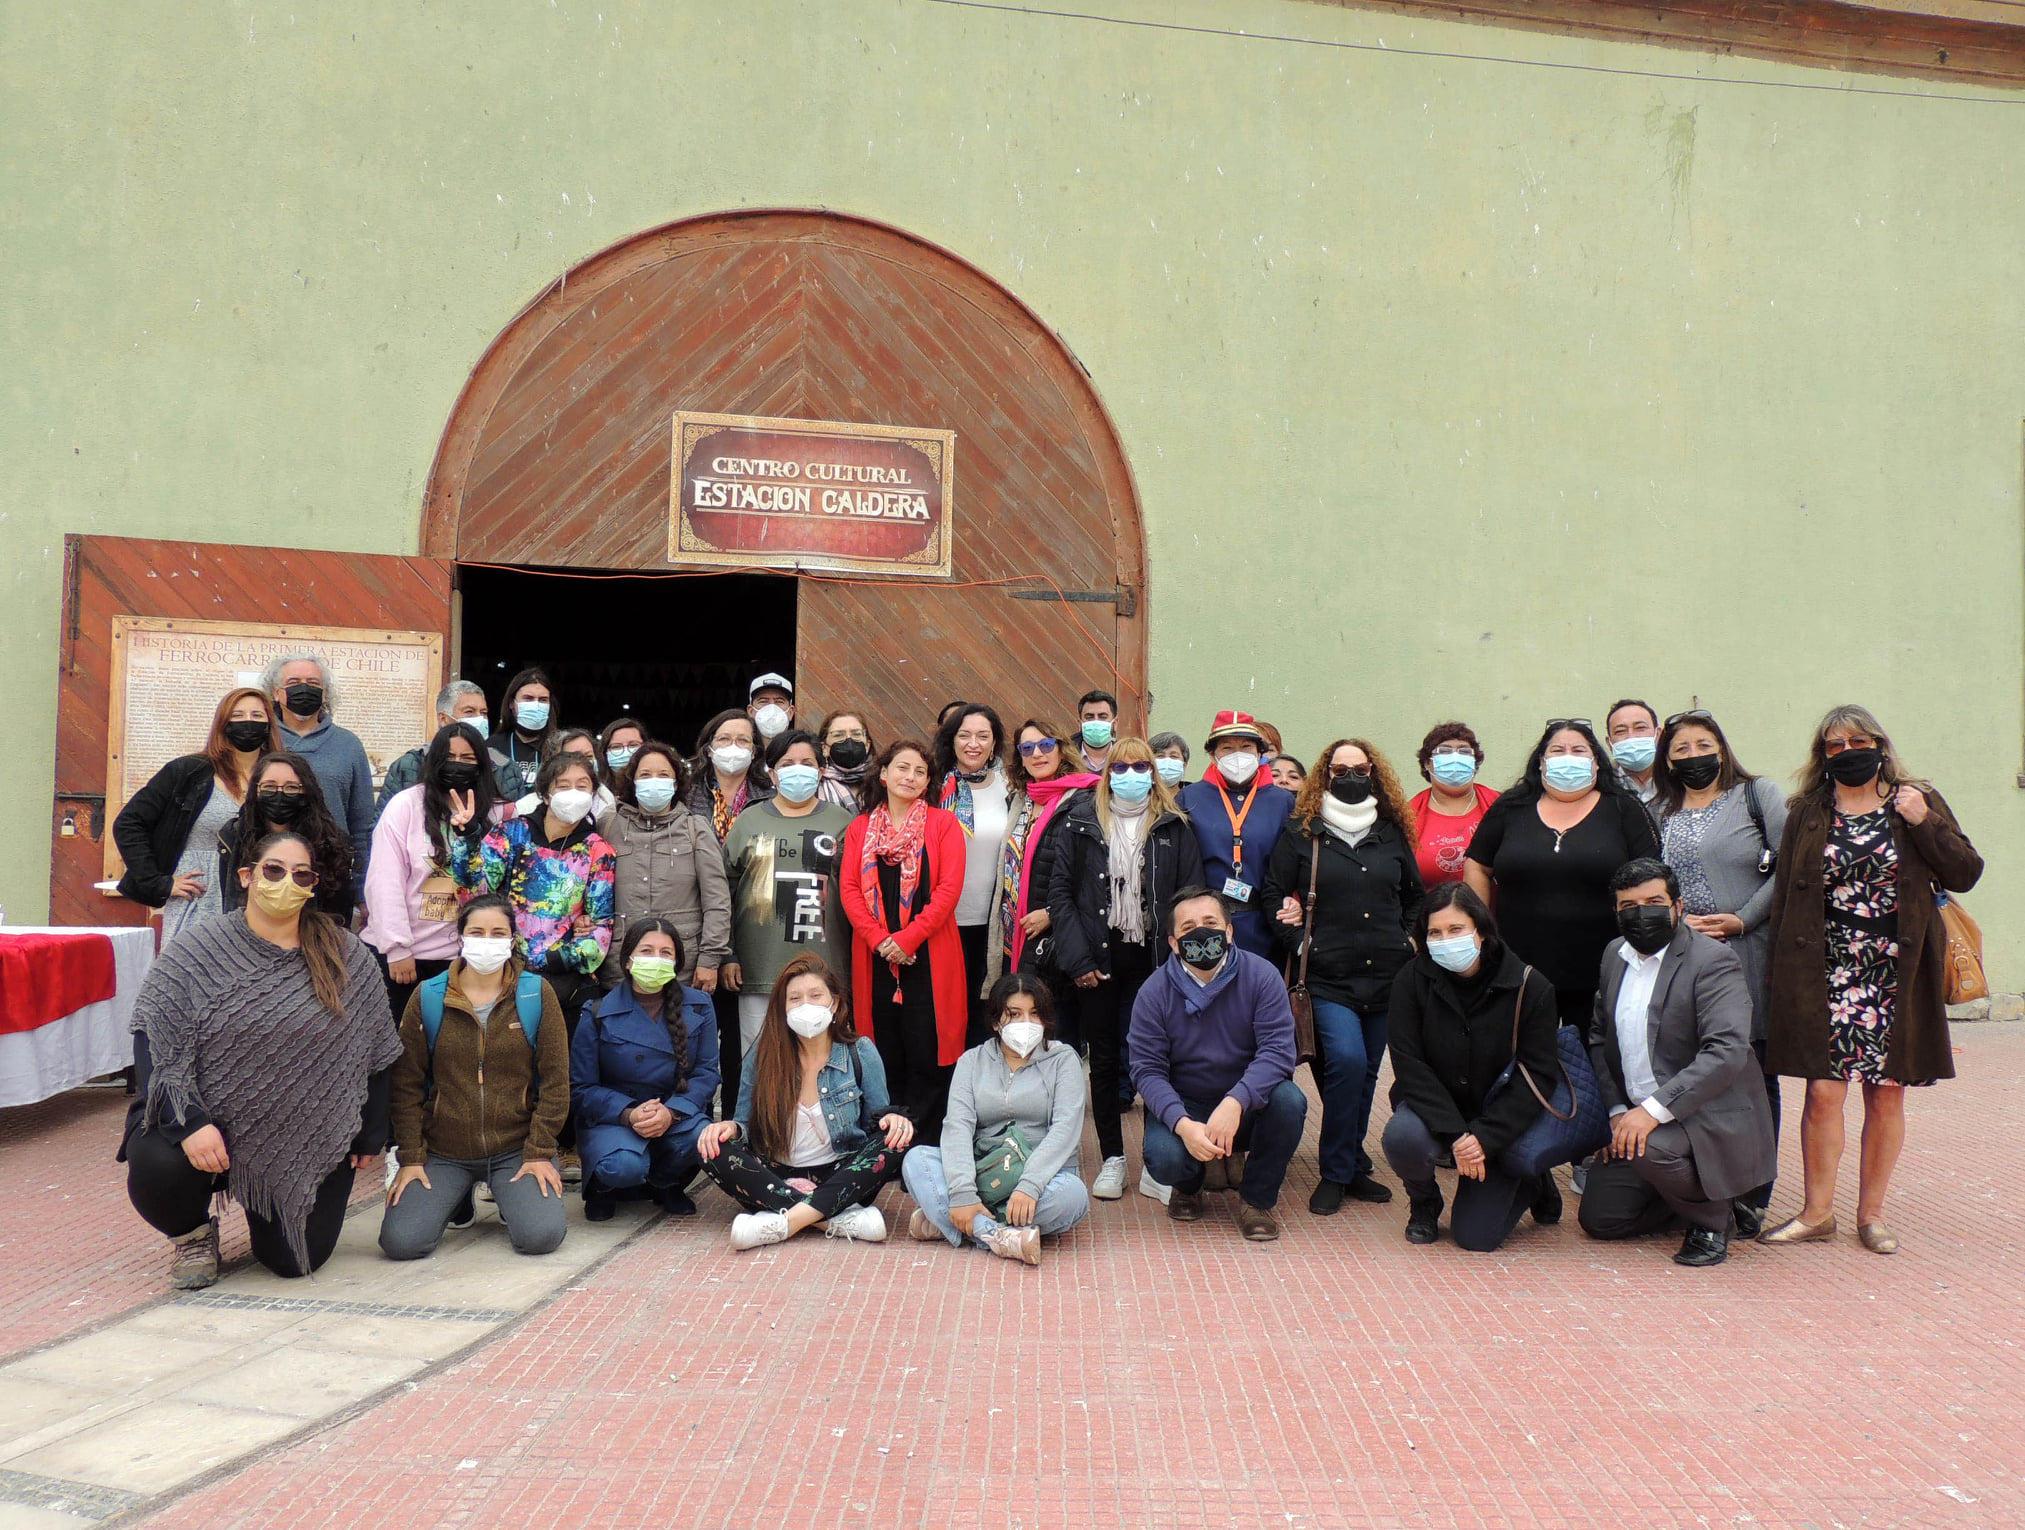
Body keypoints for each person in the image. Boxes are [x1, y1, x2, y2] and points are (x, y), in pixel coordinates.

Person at [122, 830, 400, 1288]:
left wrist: (370, 1135)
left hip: (306, 1129)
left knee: (293, 1262)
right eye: (274, 870)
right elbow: (154, 1038)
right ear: (248, 876)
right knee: (158, 1163)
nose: (286, 882)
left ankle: (265, 1200)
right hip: (207, 1121)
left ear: (312, 886)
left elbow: (378, 1051)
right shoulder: (198, 948)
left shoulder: (347, 953)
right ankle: (192, 1234)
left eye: (300, 874)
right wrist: (189, 1123)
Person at [1760, 705, 1982, 1254]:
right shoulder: (1808, 812)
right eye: (1834, 746)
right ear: (1823, 756)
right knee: (1822, 1091)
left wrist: (1921, 820)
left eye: (1858, 741)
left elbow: (1966, 873)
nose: (1847, 752)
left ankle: (1872, 1215)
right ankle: (1817, 1213)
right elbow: (1786, 895)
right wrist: (1779, 981)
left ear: (1881, 744)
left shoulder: (1916, 799)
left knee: (1885, 1094)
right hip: (1825, 969)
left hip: (1894, 970)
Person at [1577, 860, 1778, 1267]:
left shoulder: (1712, 961)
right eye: (1629, 906)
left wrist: (1649, 1113)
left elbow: (1726, 1051)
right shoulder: (1614, 955)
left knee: (1649, 1150)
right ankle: (1698, 1197)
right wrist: (1619, 1111)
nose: (1641, 913)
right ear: (1616, 913)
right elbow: (1599, 1037)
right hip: (1640, 1115)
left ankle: (1713, 1220)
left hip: (1707, 1113)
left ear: (1678, 906)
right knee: (1602, 1219)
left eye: (1654, 902)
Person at [1264, 738, 1424, 1214]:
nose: (1350, 776)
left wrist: (1410, 941)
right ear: (1325, 774)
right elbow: (1272, 895)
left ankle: (1351, 1164)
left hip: (1386, 974)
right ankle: (1334, 1173)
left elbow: (1414, 895)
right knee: (1347, 1064)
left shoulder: (1391, 830)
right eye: (1340, 768)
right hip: (1328, 978)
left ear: (1373, 772)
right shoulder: (1303, 830)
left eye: (1359, 768)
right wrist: (1299, 942)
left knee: (1369, 1072)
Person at [1048, 738, 1204, 1200]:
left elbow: (1189, 897)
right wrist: (1077, 960)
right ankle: (1113, 1157)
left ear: (1153, 773)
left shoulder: (1175, 826)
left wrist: (1177, 963)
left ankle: (1157, 1162)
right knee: (1105, 1060)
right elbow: (1061, 896)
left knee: (1152, 1059)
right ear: (1107, 772)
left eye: (1141, 766)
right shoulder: (1079, 822)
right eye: (1121, 766)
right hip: (1096, 961)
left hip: (1155, 964)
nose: (1130, 774)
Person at [379, 894, 571, 1260]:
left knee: (541, 1237)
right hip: (444, 1151)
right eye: (477, 931)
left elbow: (556, 1082)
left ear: (513, 940)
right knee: (402, 1243)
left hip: (516, 1150)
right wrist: (412, 1158)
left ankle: (509, 1195)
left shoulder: (535, 993)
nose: (487, 940)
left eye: (498, 932)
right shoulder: (429, 996)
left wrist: (540, 1151)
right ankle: (457, 1197)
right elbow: (405, 1087)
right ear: (461, 937)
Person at [1653, 708, 1789, 1212]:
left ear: (1722, 748)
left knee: (1752, 1071)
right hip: (1684, 958)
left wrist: (1743, 919)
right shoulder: (1657, 812)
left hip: (1746, 952)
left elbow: (1791, 863)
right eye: (1681, 748)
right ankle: (1704, 1181)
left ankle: (1753, 1196)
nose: (1694, 756)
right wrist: (1671, 921)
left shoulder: (1757, 796)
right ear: (1667, 759)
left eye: (1704, 745)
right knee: (1694, 1066)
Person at [1381, 883, 1564, 1251]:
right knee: (1402, 1137)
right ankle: (1424, 1202)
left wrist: (1485, 1137)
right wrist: (1457, 1136)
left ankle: (1533, 1178)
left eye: (1456, 929)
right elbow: (1409, 1064)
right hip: (1437, 1111)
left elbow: (1538, 1075)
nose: (1445, 940)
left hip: (1501, 1118)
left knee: (1475, 1238)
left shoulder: (1531, 986)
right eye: (1435, 932)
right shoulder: (1411, 980)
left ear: (1480, 930)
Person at [696, 956, 914, 1249]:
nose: (805, 1005)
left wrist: (894, 1121)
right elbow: (743, 1124)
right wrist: (728, 1129)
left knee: (896, 1139)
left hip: (842, 1173)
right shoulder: (763, 1055)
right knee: (711, 1147)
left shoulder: (859, 1051)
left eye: (815, 996)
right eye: (795, 999)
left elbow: (878, 1123)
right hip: (774, 1175)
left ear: (834, 1003)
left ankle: (784, 1221)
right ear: (782, 1008)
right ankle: (832, 1219)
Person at [1130, 888, 1307, 1240]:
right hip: (1187, 1101)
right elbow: (1146, 1069)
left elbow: (1277, 1051)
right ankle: (1189, 1185)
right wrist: (1182, 1124)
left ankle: (1257, 1200)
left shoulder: (1262, 976)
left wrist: (1236, 1100)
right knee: (1164, 1158)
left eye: (1210, 923)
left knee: (1290, 1101)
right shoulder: (1154, 991)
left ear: (1229, 931)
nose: (1201, 932)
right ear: (1174, 942)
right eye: (1189, 927)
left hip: (1246, 1101)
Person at [1463, 718, 1661, 1028]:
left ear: (1597, 763)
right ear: (1541, 763)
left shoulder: (1625, 809)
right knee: (1524, 1062)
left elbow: (1651, 875)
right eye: (1557, 750)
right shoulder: (1510, 807)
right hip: (1518, 969)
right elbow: (1477, 864)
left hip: (1603, 970)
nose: (1568, 757)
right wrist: (1479, 927)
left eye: (1579, 750)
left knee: (1594, 1065)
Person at [902, 973, 1090, 1265]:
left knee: (1073, 1197)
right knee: (917, 1160)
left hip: (1043, 1177)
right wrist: (963, 1192)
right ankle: (994, 1233)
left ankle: (950, 1220)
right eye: (1014, 1015)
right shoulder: (972, 1061)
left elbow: (1065, 1129)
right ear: (995, 1022)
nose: (1026, 1023)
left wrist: (1029, 1185)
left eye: (1035, 1014)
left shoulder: (1063, 1059)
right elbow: (958, 1127)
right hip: (983, 1171)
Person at [839, 739, 968, 1139]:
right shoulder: (861, 827)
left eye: (919, 772)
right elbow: (849, 890)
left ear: (929, 781)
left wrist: (908, 938)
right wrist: (881, 940)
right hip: (875, 955)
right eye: (902, 768)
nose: (910, 777)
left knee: (927, 1048)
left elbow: (948, 890)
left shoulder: (943, 825)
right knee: (884, 1049)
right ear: (883, 774)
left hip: (929, 954)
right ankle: (888, 1141)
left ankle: (925, 1141)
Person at [448, 750, 617, 1027]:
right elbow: (474, 895)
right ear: (546, 794)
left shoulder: (598, 851)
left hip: (562, 984)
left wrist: (558, 959)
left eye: (582, 785)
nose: (573, 793)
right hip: (501, 970)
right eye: (563, 785)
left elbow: (601, 925)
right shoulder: (511, 833)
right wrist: (467, 839)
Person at [573, 917, 720, 1219]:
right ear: (628, 960)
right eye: (646, 951)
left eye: (665, 953)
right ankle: (605, 1188)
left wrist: (672, 1112)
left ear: (677, 961)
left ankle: (665, 1182)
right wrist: (629, 1114)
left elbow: (706, 1072)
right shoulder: (598, 1011)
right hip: (614, 1118)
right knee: (621, 1166)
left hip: (676, 1113)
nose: (655, 960)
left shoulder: (700, 1005)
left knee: (704, 1136)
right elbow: (581, 1087)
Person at [364, 721, 509, 1024]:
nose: (458, 765)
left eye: (468, 758)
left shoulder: (500, 814)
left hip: (470, 958)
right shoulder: (405, 806)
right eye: (449, 757)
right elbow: (384, 881)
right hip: (407, 958)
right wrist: (397, 948)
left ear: (482, 765)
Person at [723, 730, 855, 1057]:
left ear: (821, 770)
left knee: (824, 1058)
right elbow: (724, 890)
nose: (798, 769)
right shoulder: (748, 820)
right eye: (787, 763)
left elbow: (855, 890)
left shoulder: (843, 821)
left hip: (826, 968)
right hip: (758, 967)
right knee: (760, 1061)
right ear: (771, 772)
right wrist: (728, 954)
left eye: (807, 763)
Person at [114, 686, 279, 947]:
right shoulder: (188, 772)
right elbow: (129, 823)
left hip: (262, 897)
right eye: (238, 715)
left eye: (257, 715)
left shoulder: (283, 776)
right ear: (223, 723)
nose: (248, 721)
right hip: (199, 897)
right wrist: (159, 883)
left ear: (270, 723)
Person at [596, 740, 731, 997]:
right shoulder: (609, 825)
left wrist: (709, 959)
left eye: (663, 775)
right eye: (645, 775)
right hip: (619, 966)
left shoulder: (696, 828)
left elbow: (717, 900)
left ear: (676, 783)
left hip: (682, 967)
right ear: (633, 782)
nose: (654, 781)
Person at [1176, 710, 1296, 959]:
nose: (1237, 755)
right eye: (1227, 748)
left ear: (1260, 753)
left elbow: (1293, 864)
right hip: (1206, 924)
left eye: (1246, 747)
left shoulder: (1282, 802)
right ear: (1213, 755)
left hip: (1264, 925)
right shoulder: (1190, 798)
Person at [932, 703, 1014, 1043]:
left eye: (983, 736)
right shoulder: (933, 786)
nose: (973, 744)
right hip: (941, 917)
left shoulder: (1009, 786)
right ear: (951, 740)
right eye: (964, 735)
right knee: (946, 1007)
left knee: (985, 1007)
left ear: (994, 743)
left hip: (993, 920)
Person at [262, 651, 377, 881]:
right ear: (276, 693)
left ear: (324, 694)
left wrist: (361, 887)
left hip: (331, 874)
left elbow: (363, 824)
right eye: (293, 683)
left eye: (313, 683)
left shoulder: (348, 744)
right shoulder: (261, 740)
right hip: (268, 872)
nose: (304, 689)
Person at [219, 751, 357, 921]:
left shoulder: (330, 843)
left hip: (314, 936)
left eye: (291, 787)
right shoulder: (234, 837)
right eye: (269, 786)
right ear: (256, 790)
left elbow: (338, 910)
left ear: (306, 791)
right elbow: (230, 898)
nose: (279, 794)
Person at [1407, 722, 1500, 889]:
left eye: (1464, 751)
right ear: (1428, 763)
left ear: (1474, 762)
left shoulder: (1500, 805)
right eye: (1444, 751)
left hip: (1491, 913)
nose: (1455, 757)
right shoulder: (1408, 814)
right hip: (1429, 913)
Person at [377, 680, 491, 815]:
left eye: (483, 712)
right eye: (469, 712)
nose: (479, 718)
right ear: (443, 718)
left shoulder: (502, 766)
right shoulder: (410, 765)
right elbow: (383, 822)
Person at [688, 708, 774, 843]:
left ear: (753, 752)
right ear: (709, 750)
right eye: (724, 739)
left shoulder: (769, 798)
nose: (733, 746)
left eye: (743, 740)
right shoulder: (688, 793)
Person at [514, 728, 616, 822]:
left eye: (589, 756)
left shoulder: (609, 805)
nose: (584, 762)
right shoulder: (525, 809)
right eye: (573, 757)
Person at [487, 666, 557, 798]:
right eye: (528, 698)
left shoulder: (559, 748)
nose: (536, 705)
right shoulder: (492, 747)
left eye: (543, 700)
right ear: (511, 703)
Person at [1605, 698, 1662, 812]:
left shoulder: (1680, 782)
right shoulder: (1602, 787)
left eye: (1640, 728)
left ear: (1658, 735)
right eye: (1620, 731)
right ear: (1609, 742)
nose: (1631, 736)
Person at [816, 708, 875, 808]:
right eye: (838, 735)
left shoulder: (880, 783)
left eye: (856, 734)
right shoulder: (815, 786)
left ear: (867, 745)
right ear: (824, 748)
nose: (849, 740)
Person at [1075, 689, 1119, 772]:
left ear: (1115, 723)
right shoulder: (1064, 757)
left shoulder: (1126, 758)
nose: (1096, 722)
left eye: (1103, 717)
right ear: (1080, 724)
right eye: (1089, 717)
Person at [747, 671, 797, 745]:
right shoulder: (741, 752)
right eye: (763, 701)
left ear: (790, 712)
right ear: (750, 711)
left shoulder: (801, 753)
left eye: (779, 701)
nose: (771, 707)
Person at [599, 715, 647, 780]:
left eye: (633, 745)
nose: (626, 752)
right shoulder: (597, 788)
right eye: (616, 747)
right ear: (604, 752)